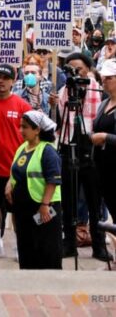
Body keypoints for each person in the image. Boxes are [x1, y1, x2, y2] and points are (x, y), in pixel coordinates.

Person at [56, 52, 110, 261]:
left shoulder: (100, 91)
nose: (75, 72)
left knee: (95, 202)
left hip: (93, 152)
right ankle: (69, 243)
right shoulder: (63, 92)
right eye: (70, 69)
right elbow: (59, 124)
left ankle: (99, 245)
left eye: (78, 68)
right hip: (69, 148)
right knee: (68, 201)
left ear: (88, 68)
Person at [0, 64, 32, 260]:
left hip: (16, 169)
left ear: (13, 81)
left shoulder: (22, 106)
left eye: (5, 77)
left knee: (17, 210)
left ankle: (20, 246)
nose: (0, 80)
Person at [5, 111, 63, 269]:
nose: (21, 131)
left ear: (37, 129)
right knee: (27, 248)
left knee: (46, 248)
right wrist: (10, 183)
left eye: (25, 127)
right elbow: (16, 170)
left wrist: (45, 205)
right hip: (24, 209)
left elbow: (53, 180)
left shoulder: (47, 151)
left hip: (44, 209)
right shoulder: (23, 147)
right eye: (20, 127)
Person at [90, 59, 116, 223]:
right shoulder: (104, 103)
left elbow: (104, 134)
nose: (104, 82)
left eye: (109, 78)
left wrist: (105, 137)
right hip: (104, 168)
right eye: (103, 78)